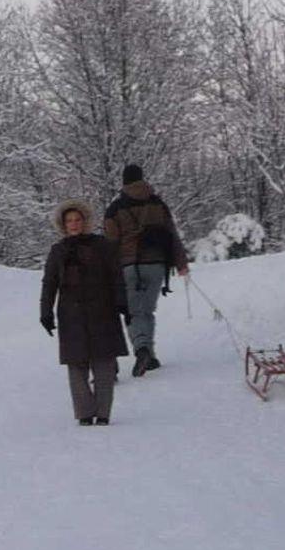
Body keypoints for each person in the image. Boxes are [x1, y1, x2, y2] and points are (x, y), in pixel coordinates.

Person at [40, 200, 129, 426]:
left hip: (102, 309)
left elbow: (116, 276)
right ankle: (84, 413)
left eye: (78, 220)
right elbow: (49, 283)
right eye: (69, 221)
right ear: (63, 225)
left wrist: (123, 304)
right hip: (71, 313)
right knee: (76, 363)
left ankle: (103, 412)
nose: (74, 224)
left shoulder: (103, 246)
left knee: (104, 362)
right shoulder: (58, 251)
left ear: (85, 221)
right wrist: (45, 311)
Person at [102, 163, 188, 376]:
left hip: (129, 266)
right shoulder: (157, 203)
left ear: (124, 181)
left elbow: (111, 244)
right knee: (146, 311)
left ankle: (141, 350)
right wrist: (181, 263)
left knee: (133, 312)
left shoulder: (115, 208)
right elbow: (172, 234)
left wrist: (107, 270)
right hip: (157, 265)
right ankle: (150, 355)